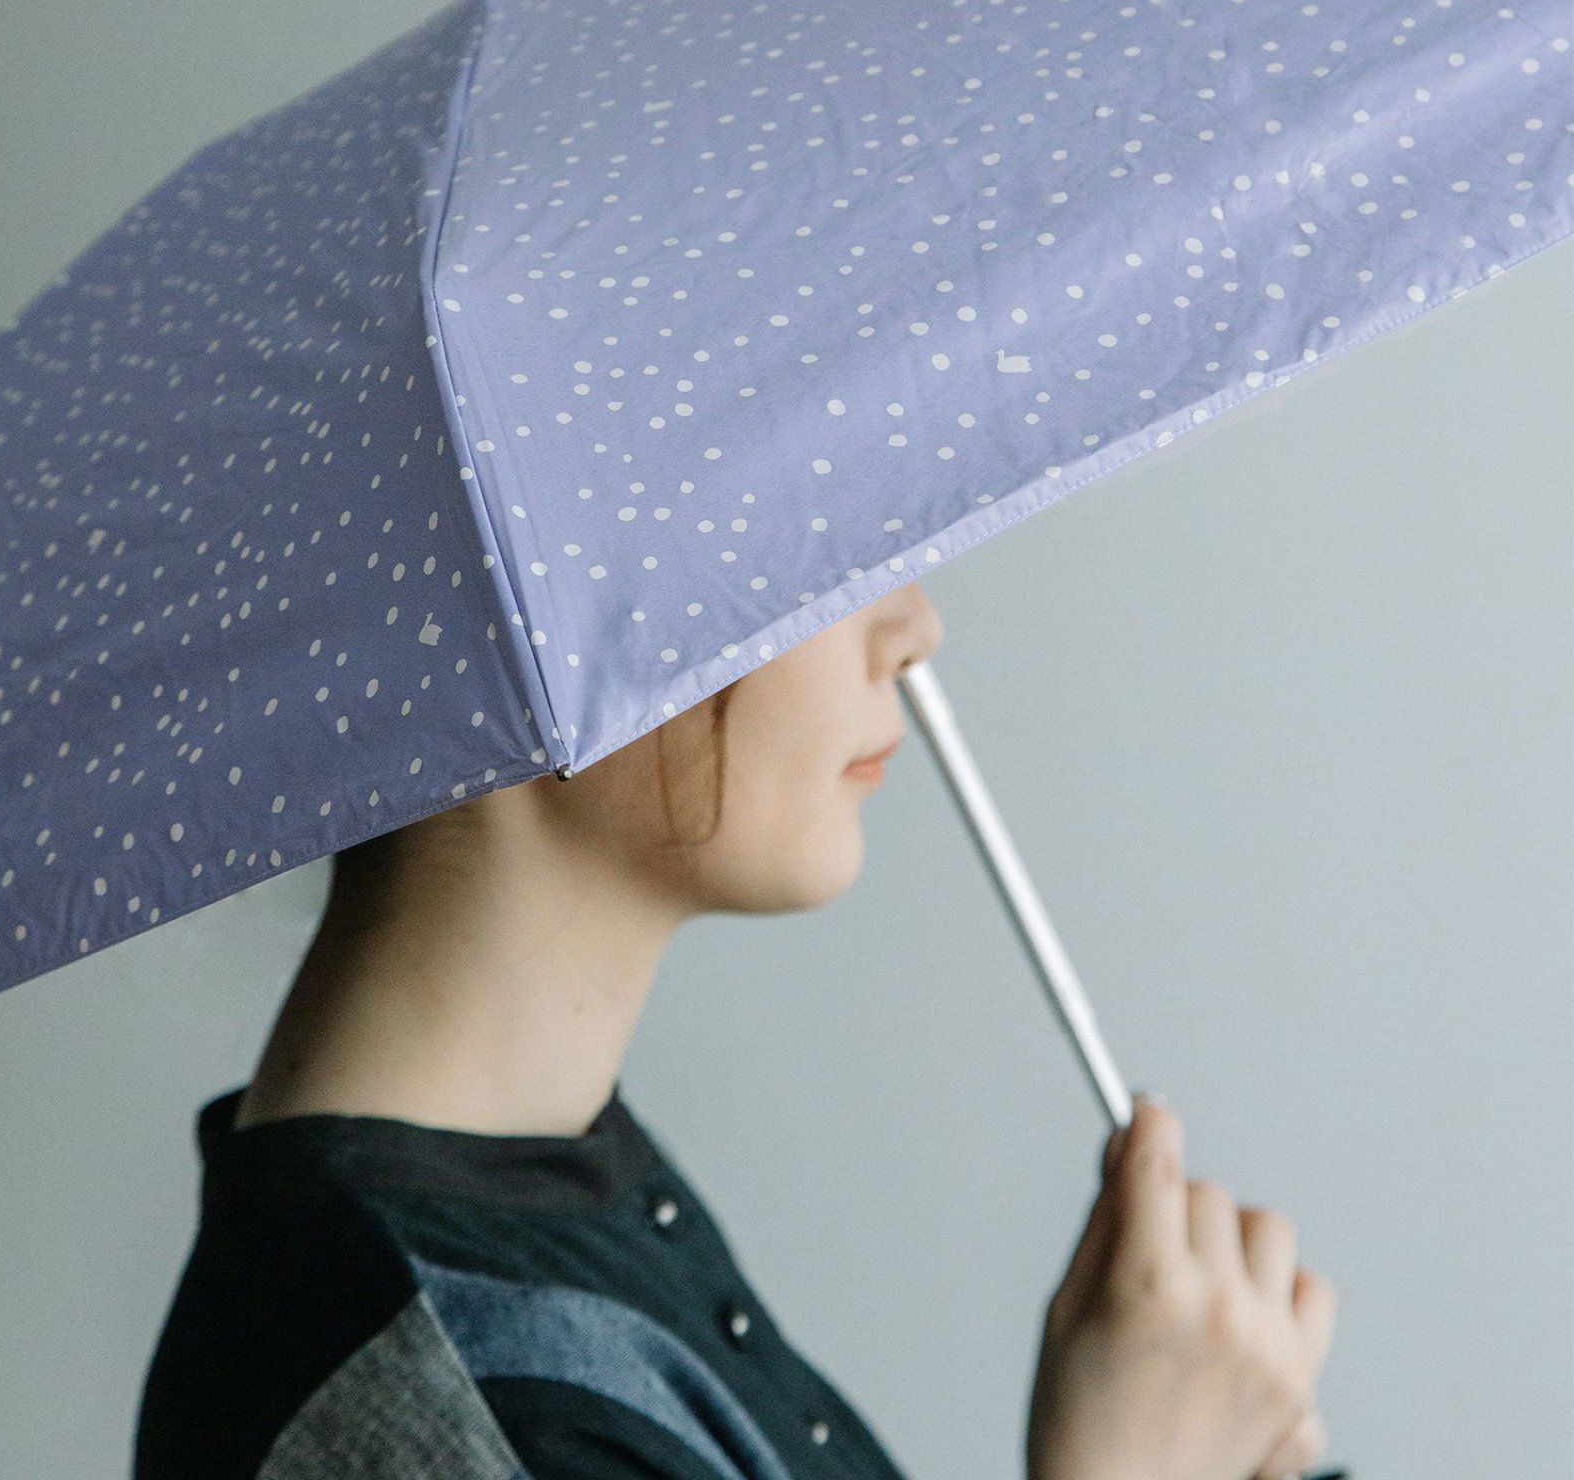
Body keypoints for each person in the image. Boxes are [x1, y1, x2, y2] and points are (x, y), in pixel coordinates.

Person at [134, 581, 1338, 1479]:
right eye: (814, 544)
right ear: (530, 612)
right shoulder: (456, 1413)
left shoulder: (536, 1199)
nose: (911, 626)